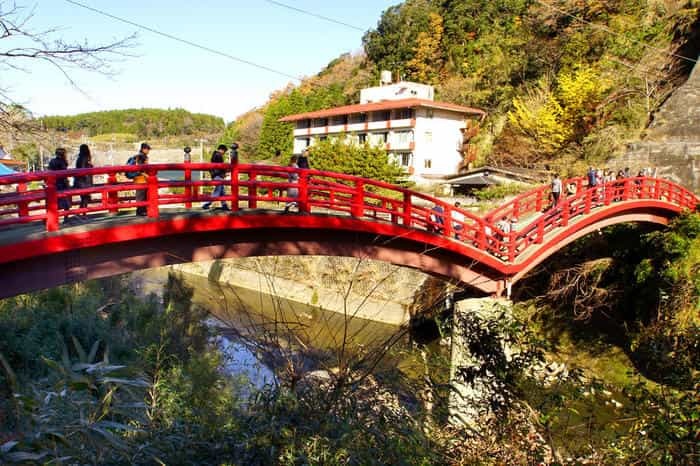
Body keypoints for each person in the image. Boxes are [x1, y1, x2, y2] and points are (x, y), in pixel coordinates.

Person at [48, 147, 73, 222]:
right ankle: (66, 217)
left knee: (55, 202)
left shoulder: (52, 161)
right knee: (65, 201)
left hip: (54, 183)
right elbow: (64, 173)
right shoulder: (63, 162)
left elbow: (49, 171)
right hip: (63, 183)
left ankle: (54, 218)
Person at [203, 144, 230, 210]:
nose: (224, 153)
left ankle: (224, 205)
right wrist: (224, 172)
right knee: (217, 191)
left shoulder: (215, 155)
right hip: (218, 175)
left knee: (222, 191)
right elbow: (219, 166)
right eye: (224, 151)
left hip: (216, 175)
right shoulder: (218, 155)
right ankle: (206, 204)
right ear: (222, 150)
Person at [74, 144, 93, 213]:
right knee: (85, 198)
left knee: (84, 198)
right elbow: (83, 169)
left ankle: (82, 212)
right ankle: (82, 212)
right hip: (84, 181)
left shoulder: (80, 158)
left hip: (80, 180)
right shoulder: (85, 158)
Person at [133, 143, 150, 216]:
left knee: (143, 196)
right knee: (140, 196)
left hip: (141, 179)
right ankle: (140, 211)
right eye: (147, 149)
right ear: (143, 149)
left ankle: (143, 211)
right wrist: (147, 176)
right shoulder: (141, 156)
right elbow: (139, 169)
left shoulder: (142, 156)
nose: (148, 151)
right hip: (140, 179)